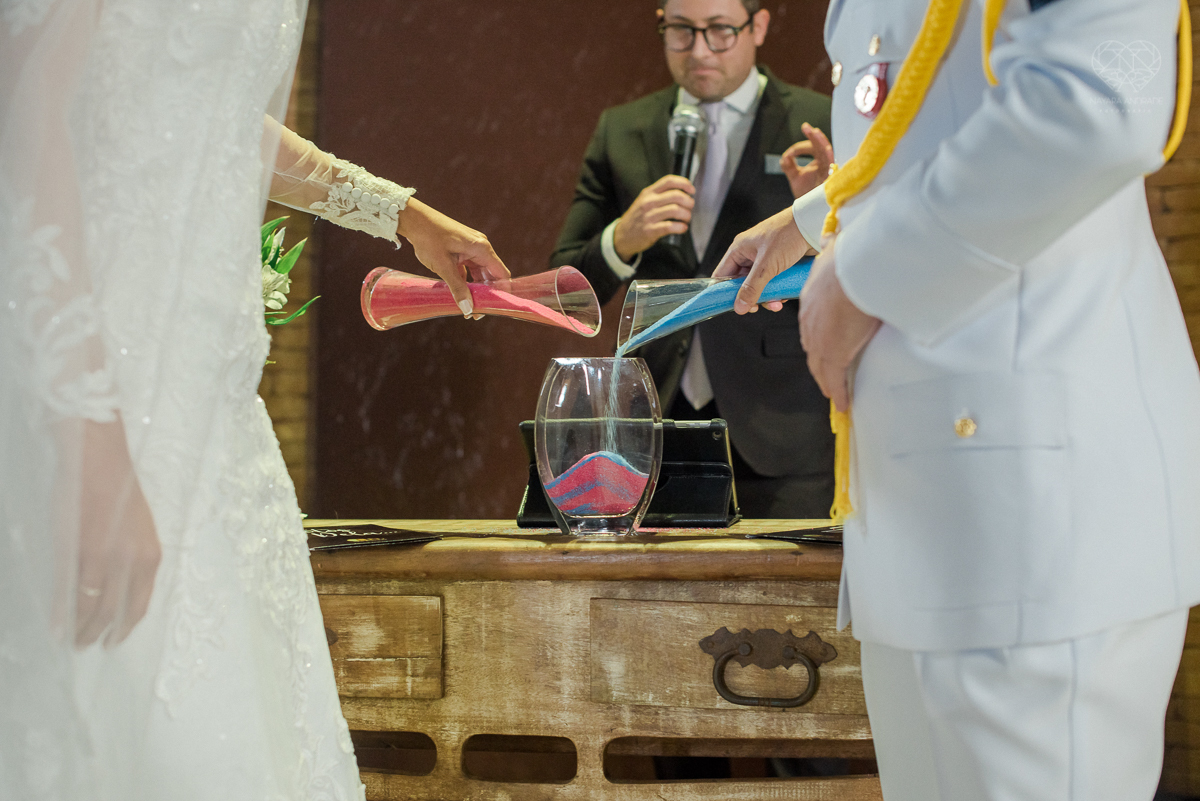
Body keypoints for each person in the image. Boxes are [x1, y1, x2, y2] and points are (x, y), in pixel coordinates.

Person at [0, 1, 505, 799]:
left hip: (220, 410)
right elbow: (27, 116)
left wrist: (399, 213)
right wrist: (89, 435)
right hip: (108, 382)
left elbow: (216, 114)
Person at [717, 0, 1200, 798]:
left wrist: (862, 275)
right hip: (928, 519)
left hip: (1037, 518)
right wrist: (815, 216)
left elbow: (1103, 98)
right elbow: (934, 111)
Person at [551, 0, 836, 518]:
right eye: (681, 30)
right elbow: (566, 293)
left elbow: (865, 267)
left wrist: (823, 220)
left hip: (782, 422)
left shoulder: (819, 119)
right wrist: (622, 238)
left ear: (758, 26)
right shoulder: (623, 129)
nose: (699, 50)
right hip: (651, 426)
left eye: (720, 30)